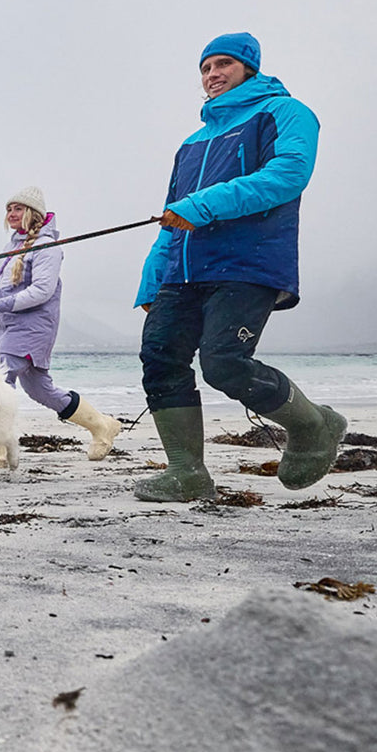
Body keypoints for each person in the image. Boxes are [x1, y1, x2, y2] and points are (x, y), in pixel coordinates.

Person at [132, 32, 346, 502]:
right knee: (160, 360)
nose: (212, 75)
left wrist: (204, 204)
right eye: (206, 68)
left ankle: (314, 425)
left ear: (249, 67)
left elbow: (288, 175)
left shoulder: (286, 112)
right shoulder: (192, 142)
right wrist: (153, 279)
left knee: (224, 364)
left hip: (248, 263)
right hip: (183, 272)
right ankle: (187, 472)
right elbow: (173, 216)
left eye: (223, 64)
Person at [0, 186, 122, 460]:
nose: (11, 213)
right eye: (9, 208)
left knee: (0, 380)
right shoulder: (14, 245)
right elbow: (9, 287)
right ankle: (102, 425)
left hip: (32, 329)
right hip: (11, 327)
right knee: (40, 389)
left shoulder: (48, 247)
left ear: (33, 213)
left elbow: (42, 291)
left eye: (18, 208)